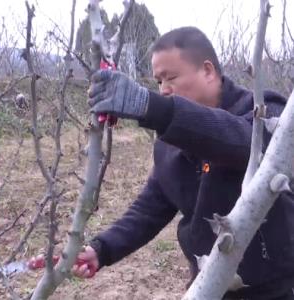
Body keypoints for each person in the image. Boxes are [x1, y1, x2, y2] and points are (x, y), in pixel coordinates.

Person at [73, 26, 294, 299]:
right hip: (207, 286)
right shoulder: (170, 142)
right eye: (158, 82)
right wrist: (101, 249)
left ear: (208, 71)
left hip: (275, 291)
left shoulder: (266, 112)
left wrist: (152, 108)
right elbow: (150, 207)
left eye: (171, 78)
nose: (164, 90)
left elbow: (246, 145)